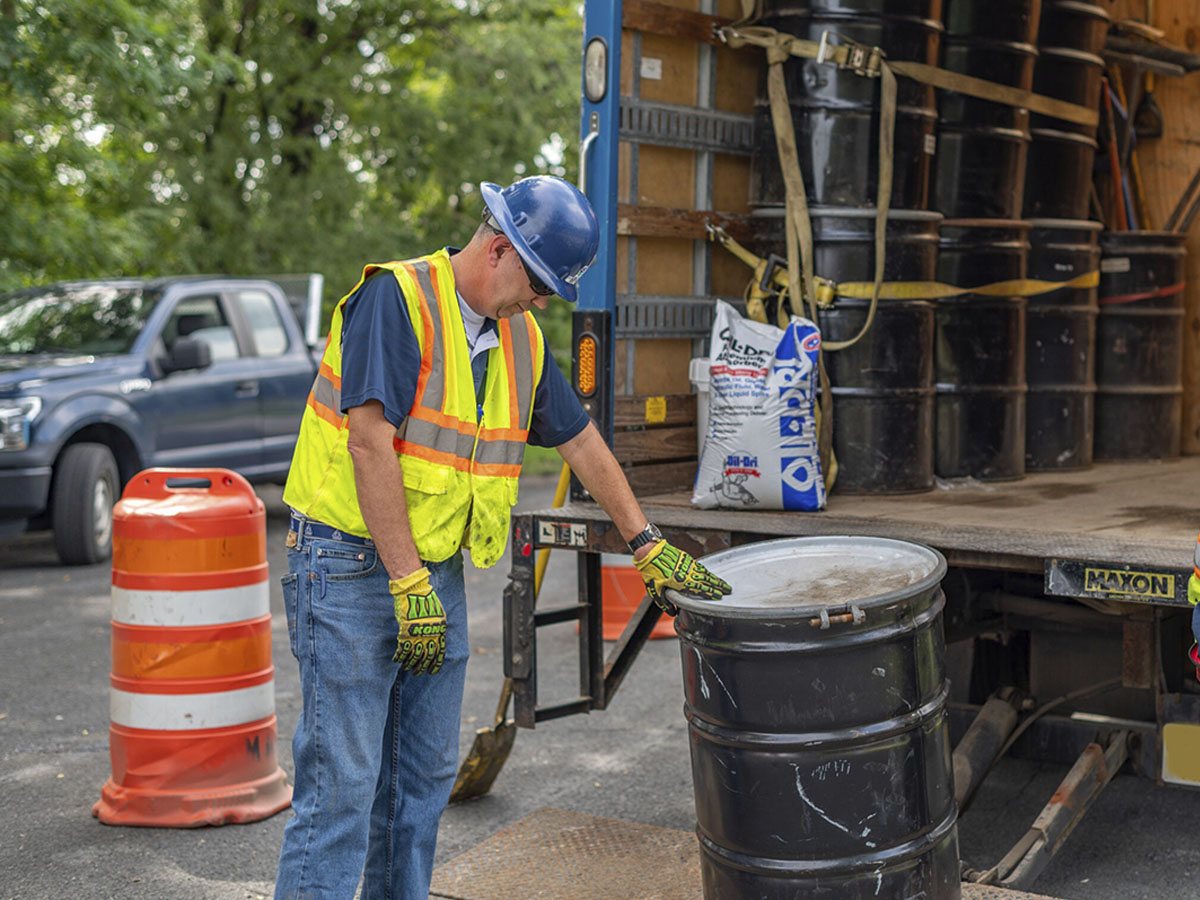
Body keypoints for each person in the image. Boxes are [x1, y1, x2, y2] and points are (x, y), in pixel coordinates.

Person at [272, 175, 732, 900]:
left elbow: (580, 443)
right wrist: (406, 581)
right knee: (342, 791)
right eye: (539, 283)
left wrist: (645, 541)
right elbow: (368, 446)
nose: (542, 302)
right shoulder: (397, 300)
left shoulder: (518, 338)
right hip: (352, 565)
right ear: (498, 249)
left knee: (419, 782)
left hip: (431, 574)